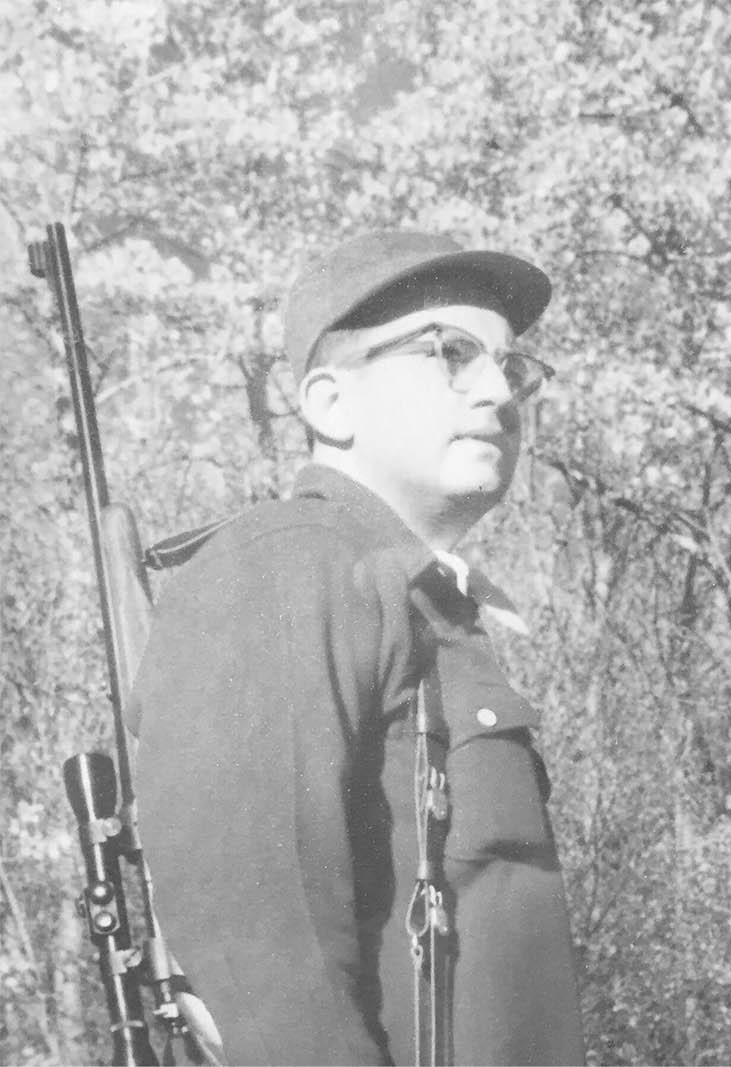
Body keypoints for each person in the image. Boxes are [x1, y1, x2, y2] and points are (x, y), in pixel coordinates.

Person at [131, 231, 584, 1065]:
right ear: (330, 404)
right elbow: (259, 952)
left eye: (511, 367)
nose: (499, 392)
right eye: (451, 353)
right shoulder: (290, 563)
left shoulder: (427, 605)